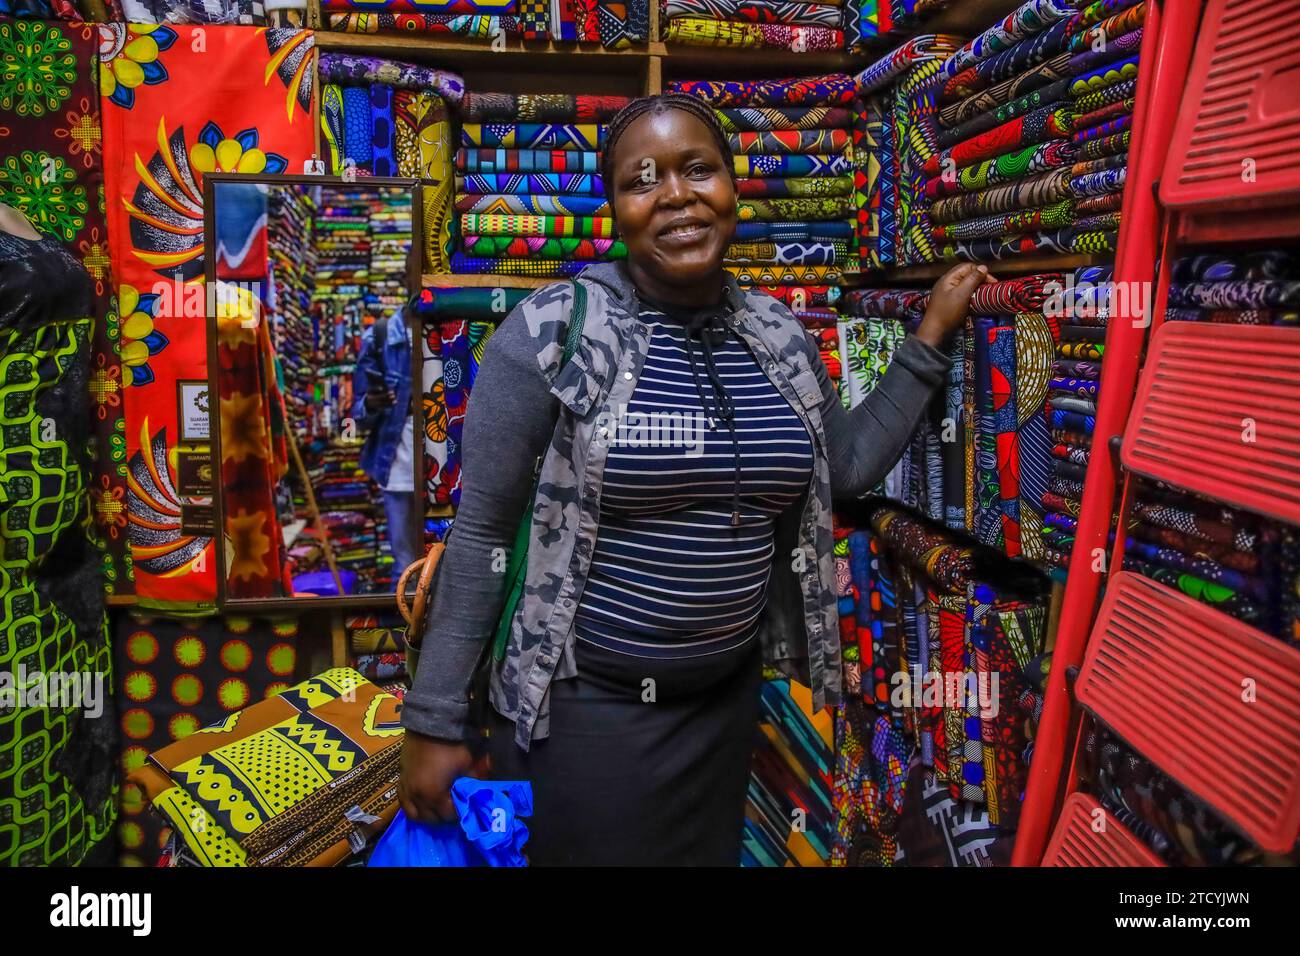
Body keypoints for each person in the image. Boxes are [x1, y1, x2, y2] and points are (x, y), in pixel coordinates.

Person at [397, 94, 993, 865]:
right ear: (615, 206)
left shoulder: (779, 337)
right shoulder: (551, 334)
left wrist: (929, 341)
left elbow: (841, 469)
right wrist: (435, 719)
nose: (676, 195)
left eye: (697, 170)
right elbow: (482, 534)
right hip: (583, 717)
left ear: (732, 189)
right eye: (643, 180)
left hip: (723, 707)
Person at [352, 306, 422, 579]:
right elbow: (354, 416)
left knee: (442, 555)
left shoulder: (447, 329)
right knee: (403, 564)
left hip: (441, 466)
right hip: (394, 465)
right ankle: (408, 619)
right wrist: (369, 404)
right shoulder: (379, 337)